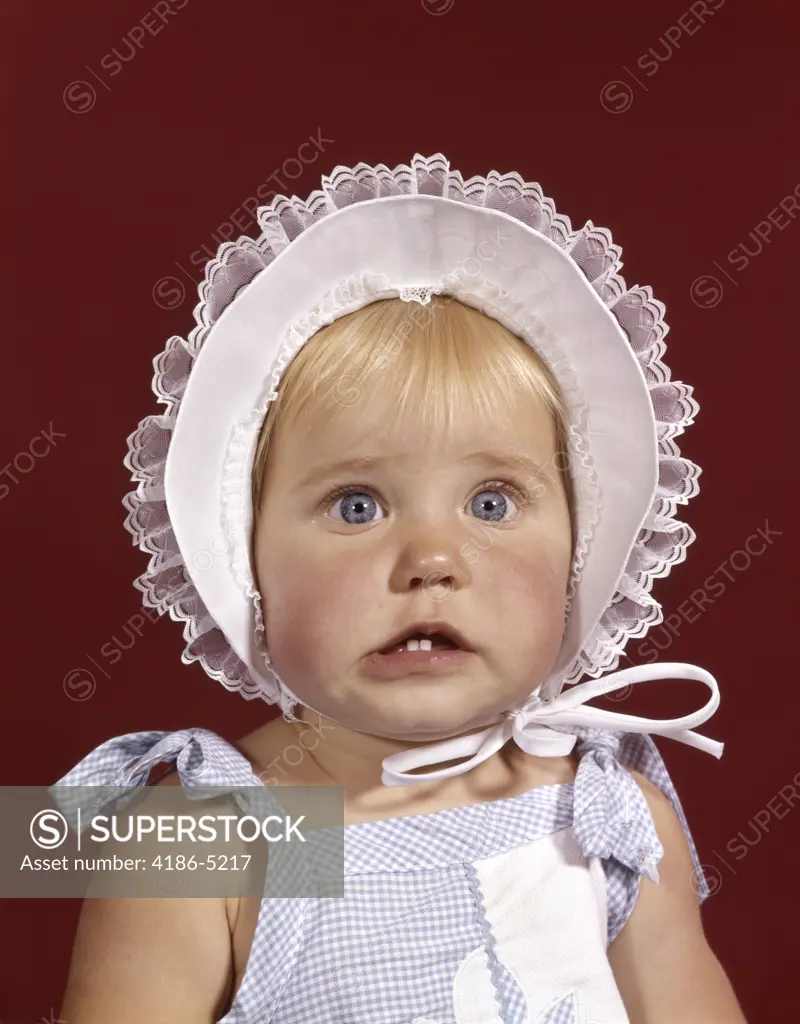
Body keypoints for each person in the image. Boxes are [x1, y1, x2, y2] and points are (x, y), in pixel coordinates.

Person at [52, 153, 747, 1022]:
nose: (432, 558)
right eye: (357, 504)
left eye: (492, 503)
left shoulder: (602, 811)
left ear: (581, 550)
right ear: (242, 555)